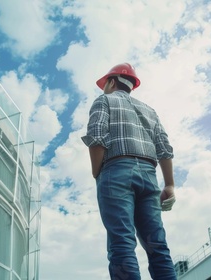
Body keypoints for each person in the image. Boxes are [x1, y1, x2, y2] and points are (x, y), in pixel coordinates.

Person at [82, 63, 177, 279]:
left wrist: (97, 173)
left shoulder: (104, 100)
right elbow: (164, 148)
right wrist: (169, 184)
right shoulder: (150, 111)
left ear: (112, 81)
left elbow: (96, 138)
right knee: (157, 245)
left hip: (115, 171)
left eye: (104, 84)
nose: (103, 89)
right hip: (149, 175)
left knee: (122, 243)